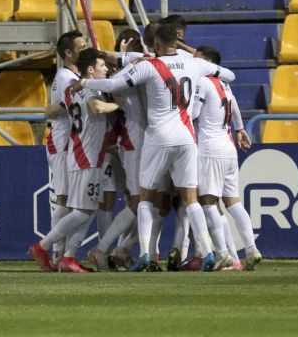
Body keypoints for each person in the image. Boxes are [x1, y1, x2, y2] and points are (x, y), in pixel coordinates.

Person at [74, 24, 236, 272]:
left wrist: (84, 82)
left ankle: (140, 254)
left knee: (145, 198)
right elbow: (229, 75)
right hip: (184, 136)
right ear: (177, 41)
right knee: (187, 199)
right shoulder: (194, 63)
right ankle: (209, 253)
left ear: (155, 45)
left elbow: (114, 84)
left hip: (154, 136)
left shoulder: (146, 65)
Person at [30, 49, 120, 273]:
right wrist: (119, 104)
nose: (106, 69)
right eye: (102, 66)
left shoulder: (71, 90)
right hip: (88, 156)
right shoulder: (90, 88)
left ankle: (68, 257)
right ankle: (43, 246)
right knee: (82, 211)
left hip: (78, 153)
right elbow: (97, 108)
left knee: (85, 210)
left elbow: (52, 110)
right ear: (90, 70)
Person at [192, 45, 262, 271]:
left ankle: (223, 255)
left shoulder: (202, 83)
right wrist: (240, 129)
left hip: (210, 148)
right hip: (228, 146)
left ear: (208, 64)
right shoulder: (224, 84)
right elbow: (235, 107)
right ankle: (251, 248)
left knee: (208, 201)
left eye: (198, 60)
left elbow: (193, 114)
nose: (194, 64)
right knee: (233, 202)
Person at [88, 29, 146, 271]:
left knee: (152, 201)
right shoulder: (123, 74)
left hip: (140, 139)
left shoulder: (135, 68)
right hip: (133, 141)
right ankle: (103, 249)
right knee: (138, 201)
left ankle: (125, 249)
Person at [42, 31, 87, 267]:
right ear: (68, 53)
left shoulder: (76, 75)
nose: (85, 49)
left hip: (73, 142)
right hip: (61, 142)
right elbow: (56, 109)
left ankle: (62, 253)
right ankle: (56, 253)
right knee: (63, 197)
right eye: (81, 47)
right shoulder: (64, 76)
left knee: (71, 199)